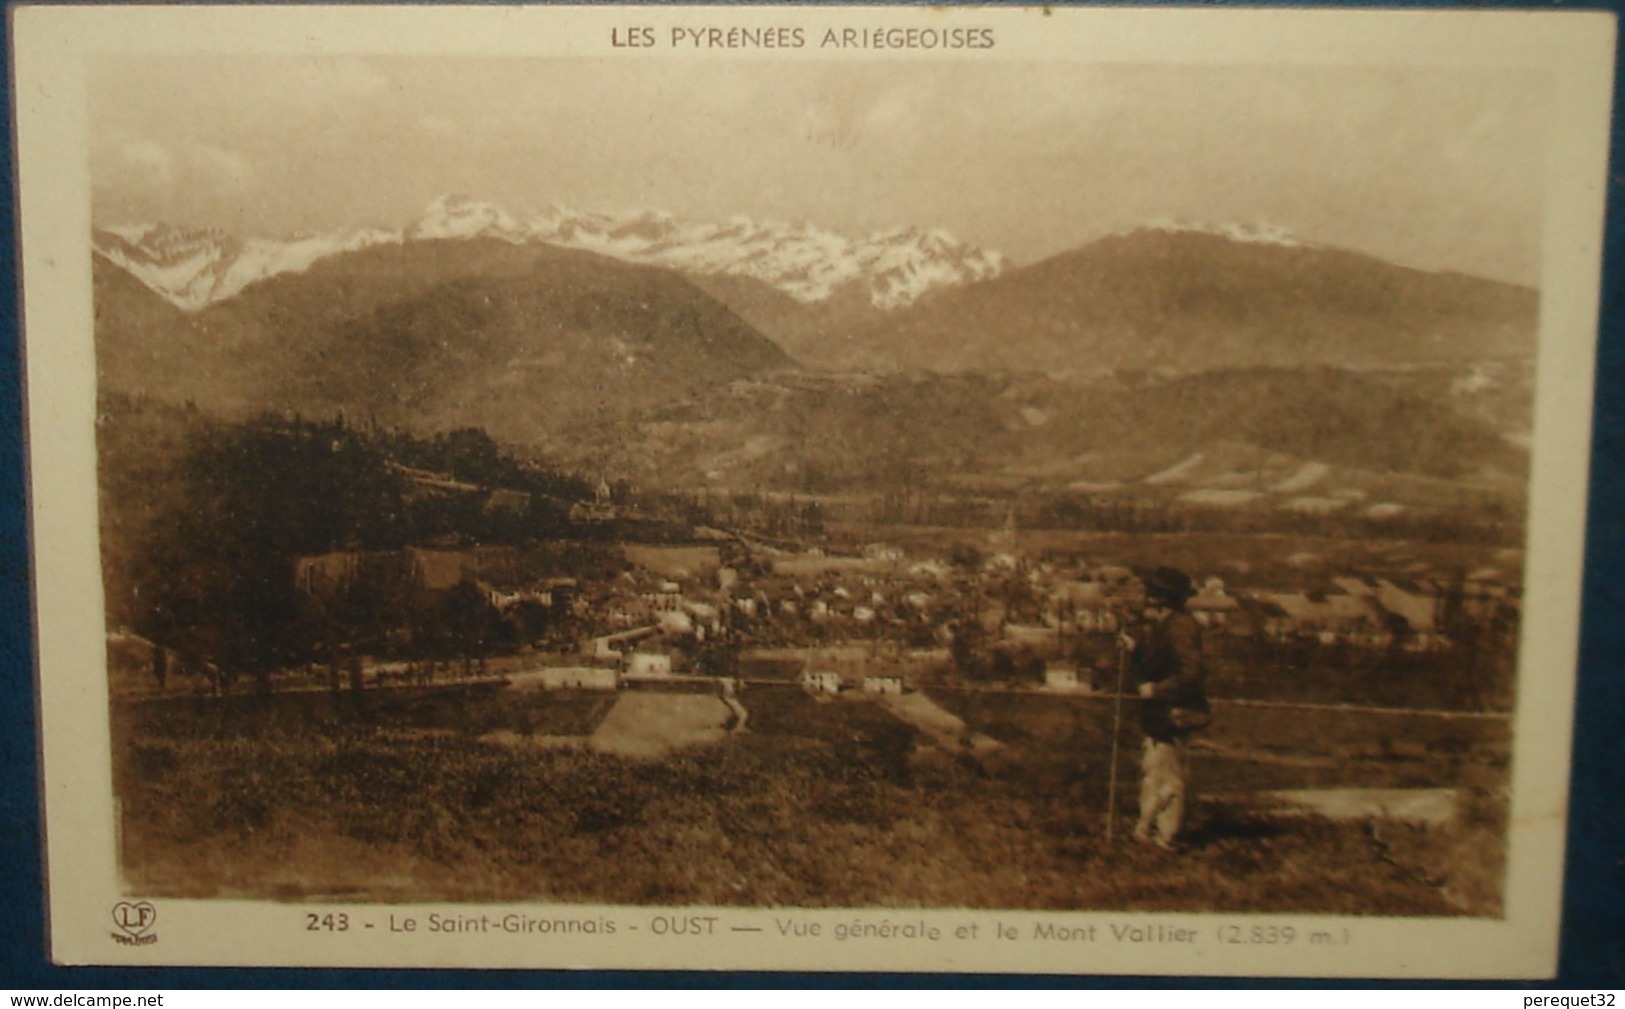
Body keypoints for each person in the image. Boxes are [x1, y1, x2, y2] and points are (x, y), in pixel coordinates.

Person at [1118, 566, 1210, 849]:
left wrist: (1157, 689)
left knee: (1167, 777)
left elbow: (1191, 673)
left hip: (1174, 711)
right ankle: (1151, 832)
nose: (1146, 599)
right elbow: (1158, 664)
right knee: (1155, 771)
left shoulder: (1181, 627)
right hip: (1161, 712)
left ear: (1162, 598)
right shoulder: (1167, 624)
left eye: (1152, 594)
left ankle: (1161, 835)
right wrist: (1134, 651)